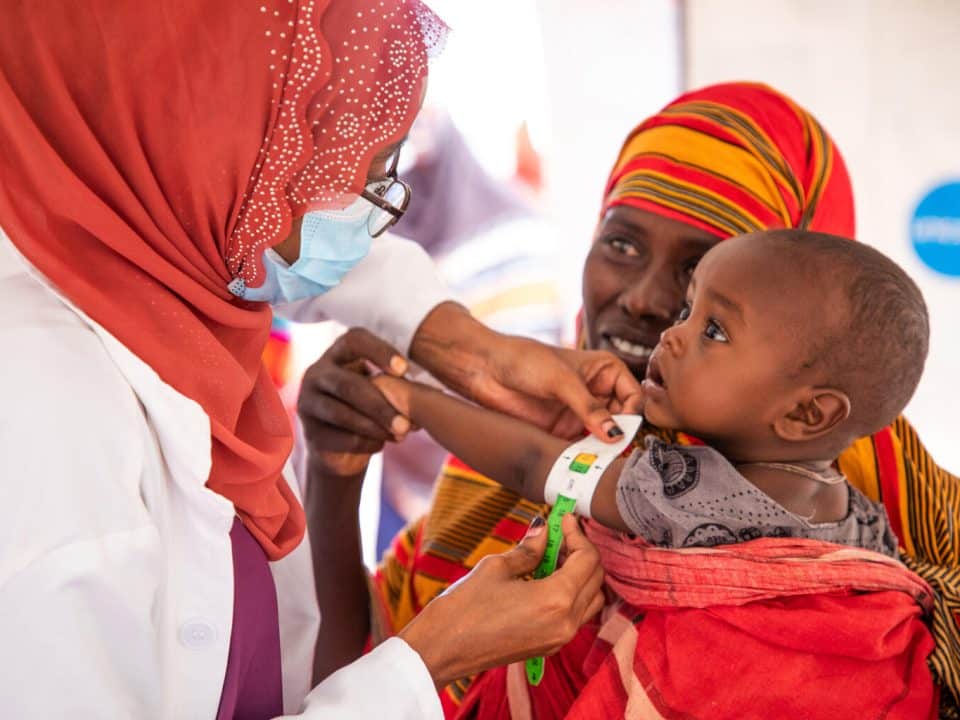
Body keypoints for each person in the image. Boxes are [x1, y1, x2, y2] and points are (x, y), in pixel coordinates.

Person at [0, 2, 645, 718]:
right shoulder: (46, 426)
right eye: (355, 179)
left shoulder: (152, 255)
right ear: (210, 156)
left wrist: (460, 343)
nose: (363, 222)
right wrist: (425, 664)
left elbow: (274, 232)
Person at [303, 81, 960, 716]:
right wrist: (338, 471)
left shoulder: (891, 500)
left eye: (705, 289)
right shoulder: (503, 456)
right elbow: (360, 680)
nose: (647, 302)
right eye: (621, 243)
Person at [369, 228, 938, 715]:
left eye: (714, 331)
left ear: (805, 413)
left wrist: (413, 401)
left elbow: (532, 462)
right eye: (691, 310)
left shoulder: (679, 491)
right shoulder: (864, 518)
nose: (673, 331)